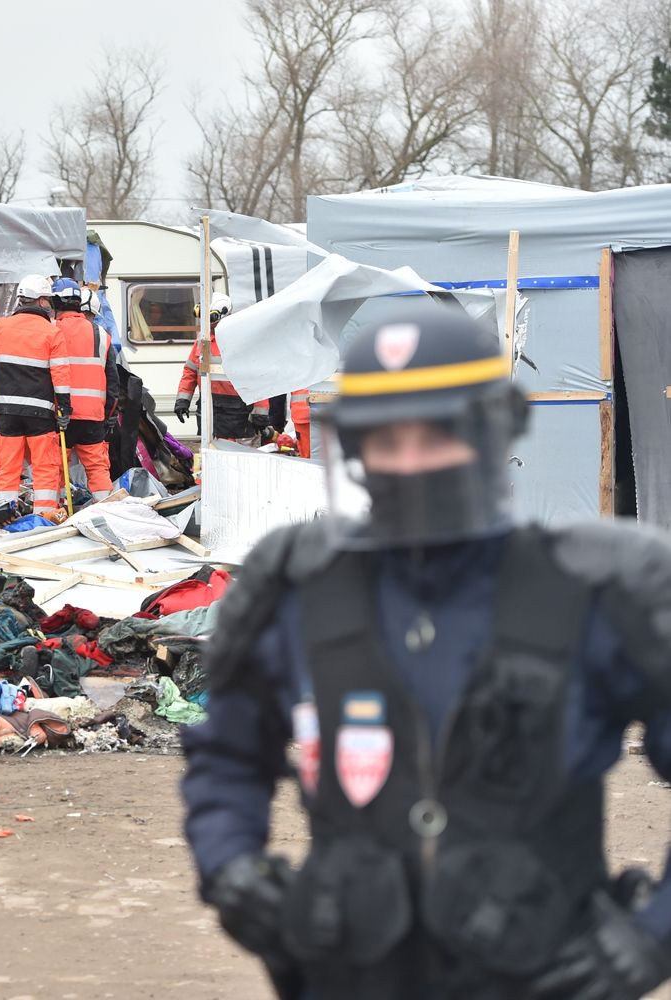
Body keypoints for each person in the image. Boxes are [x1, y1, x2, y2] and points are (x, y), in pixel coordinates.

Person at [181, 304, 671, 1000]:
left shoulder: (599, 590)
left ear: (495, 426)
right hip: (350, 973)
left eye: (438, 433)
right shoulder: (296, 588)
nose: (411, 462)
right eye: (386, 439)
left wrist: (652, 935)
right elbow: (228, 753)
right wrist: (230, 867)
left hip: (540, 973)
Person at [0, 275, 71, 520]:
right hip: (40, 414)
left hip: (7, 413)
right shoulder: (53, 333)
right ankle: (43, 519)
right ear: (41, 301)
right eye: (48, 300)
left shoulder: (1, 326)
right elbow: (60, 375)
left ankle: (3, 516)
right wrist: (65, 409)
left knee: (7, 469)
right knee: (44, 470)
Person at [53, 277, 119, 502]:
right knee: (98, 469)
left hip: (59, 414)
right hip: (93, 416)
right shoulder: (102, 335)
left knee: (56, 468)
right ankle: (106, 510)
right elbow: (113, 381)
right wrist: (109, 415)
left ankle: (56, 512)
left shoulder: (52, 330)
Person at [173, 292, 269, 442]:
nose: (206, 323)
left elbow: (257, 376)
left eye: (210, 318)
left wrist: (260, 411)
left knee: (238, 457)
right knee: (210, 452)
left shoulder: (241, 341)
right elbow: (190, 371)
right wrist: (183, 400)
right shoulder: (202, 340)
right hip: (209, 407)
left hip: (238, 411)